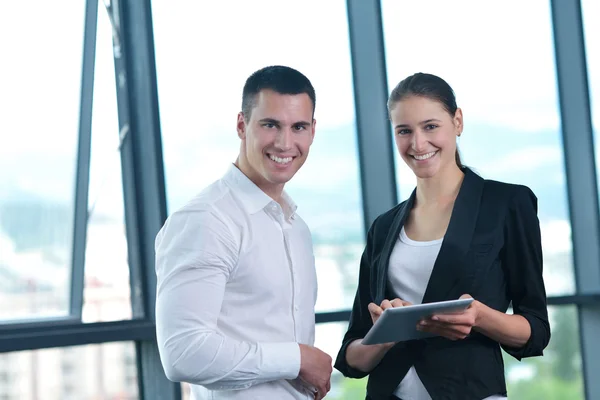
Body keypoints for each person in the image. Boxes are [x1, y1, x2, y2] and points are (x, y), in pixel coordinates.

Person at [334, 72, 550, 400]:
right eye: (404, 130)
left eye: (430, 126)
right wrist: (386, 334)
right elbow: (351, 357)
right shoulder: (384, 226)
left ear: (458, 121)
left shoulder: (506, 204)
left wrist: (479, 316)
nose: (418, 144)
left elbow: (535, 331)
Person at [155, 65, 333, 400]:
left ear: (312, 131)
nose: (285, 142)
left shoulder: (297, 228)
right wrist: (297, 358)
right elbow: (182, 353)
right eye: (270, 125)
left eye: (298, 127)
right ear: (242, 125)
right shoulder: (206, 219)